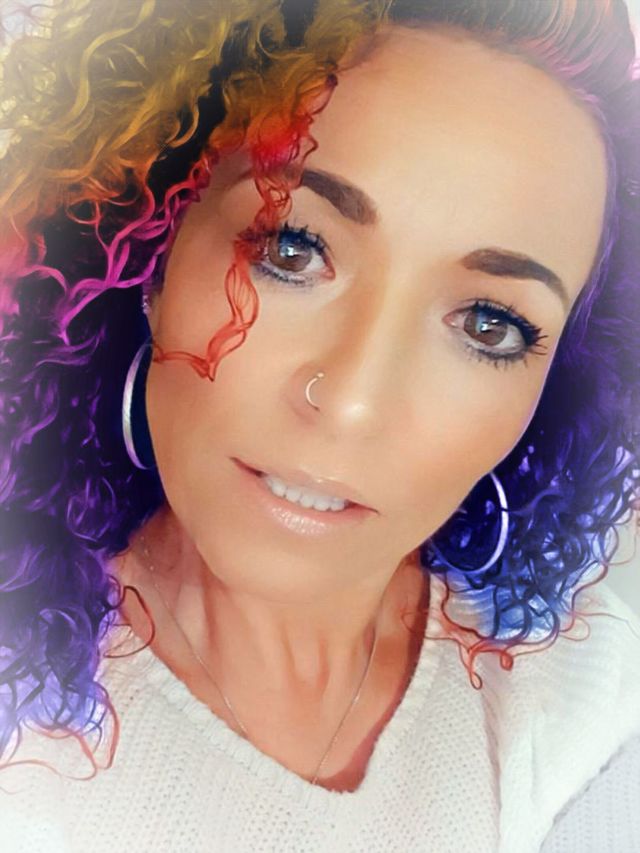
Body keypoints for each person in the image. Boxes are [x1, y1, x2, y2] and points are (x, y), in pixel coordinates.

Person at [0, 0, 639, 850]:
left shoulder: (579, 699)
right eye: (292, 249)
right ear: (153, 249)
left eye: (490, 324)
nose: (352, 401)